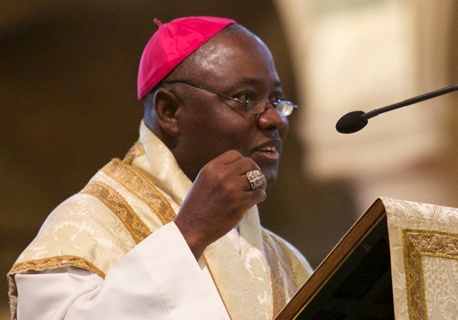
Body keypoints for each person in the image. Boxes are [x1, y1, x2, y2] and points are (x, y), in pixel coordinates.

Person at [8, 16, 312, 319]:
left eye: (276, 99)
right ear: (169, 111)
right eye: (245, 98)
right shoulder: (82, 229)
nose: (276, 119)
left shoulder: (285, 262)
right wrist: (189, 235)